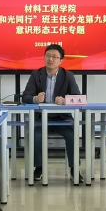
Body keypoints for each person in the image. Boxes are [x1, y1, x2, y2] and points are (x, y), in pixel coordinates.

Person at [20, 44, 82, 181]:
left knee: (72, 133)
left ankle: (74, 168)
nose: (50, 59)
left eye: (54, 57)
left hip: (63, 118)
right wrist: (35, 99)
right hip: (41, 118)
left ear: (61, 60)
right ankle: (39, 167)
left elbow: (78, 98)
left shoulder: (68, 75)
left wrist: (65, 100)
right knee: (35, 133)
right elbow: (25, 97)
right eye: (48, 56)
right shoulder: (36, 74)